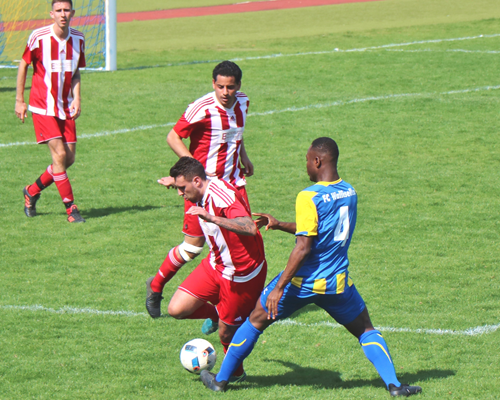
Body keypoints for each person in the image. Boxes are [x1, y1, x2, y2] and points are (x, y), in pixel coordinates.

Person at [200, 137, 422, 397]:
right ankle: (394, 385)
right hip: (337, 284)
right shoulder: (349, 191)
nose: (305, 165)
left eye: (307, 160)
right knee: (366, 330)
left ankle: (220, 381)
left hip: (301, 284)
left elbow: (304, 247)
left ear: (317, 161)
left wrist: (278, 287)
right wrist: (281, 224)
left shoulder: (309, 196)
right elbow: (320, 231)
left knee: (253, 322)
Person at [146, 61, 254, 318]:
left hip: (234, 185)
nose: (225, 92)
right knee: (193, 248)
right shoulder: (202, 108)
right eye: (220, 87)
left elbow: (235, 134)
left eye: (230, 87)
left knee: (240, 243)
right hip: (204, 189)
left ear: (238, 86)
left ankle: (224, 306)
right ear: (213, 84)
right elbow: (173, 137)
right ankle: (156, 286)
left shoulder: (243, 102)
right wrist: (190, 170)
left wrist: (243, 156)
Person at [168, 157, 267, 383]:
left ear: (197, 181)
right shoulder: (199, 191)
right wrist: (173, 182)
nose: (180, 194)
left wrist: (212, 217)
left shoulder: (222, 197)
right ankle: (215, 314)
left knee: (226, 333)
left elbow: (249, 227)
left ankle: (236, 374)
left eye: (182, 188)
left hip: (241, 275)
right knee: (176, 308)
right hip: (216, 266)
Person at [15, 0, 85, 223]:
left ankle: (32, 191)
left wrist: (77, 98)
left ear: (72, 12)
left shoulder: (79, 39)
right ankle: (71, 209)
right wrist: (19, 100)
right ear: (51, 14)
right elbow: (24, 65)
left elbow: (75, 73)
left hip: (65, 106)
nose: (63, 14)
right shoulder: (39, 37)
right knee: (59, 156)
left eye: (66, 10)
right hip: (42, 105)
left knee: (68, 159)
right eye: (58, 11)